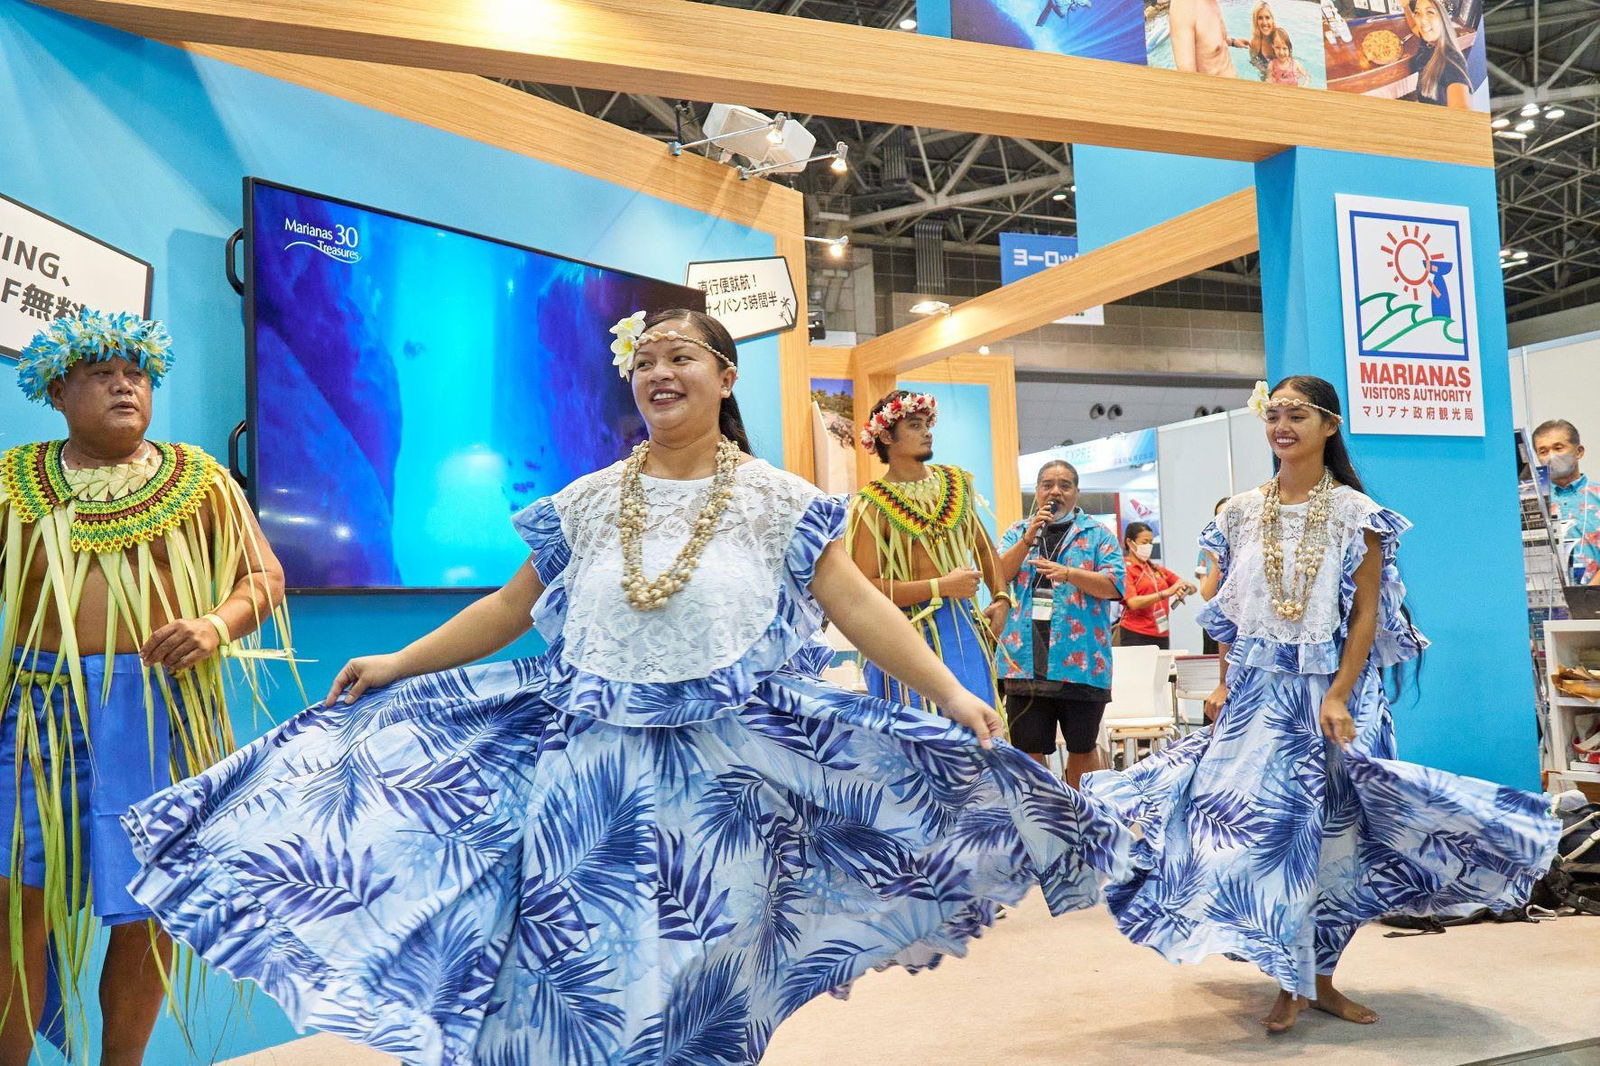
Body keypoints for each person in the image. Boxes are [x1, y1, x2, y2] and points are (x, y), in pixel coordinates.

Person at [121, 309, 1131, 1065]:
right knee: (575, 974)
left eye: (679, 355)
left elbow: (860, 607)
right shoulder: (588, 500)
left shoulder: (783, 498)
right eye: (643, 360)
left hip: (726, 780)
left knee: (705, 977)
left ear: (723, 375)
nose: (658, 370)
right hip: (587, 772)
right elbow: (510, 610)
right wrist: (399, 661)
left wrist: (948, 691)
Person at [1082, 376, 1559, 1034]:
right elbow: (1232, 615)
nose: (1281, 424)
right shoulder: (1240, 513)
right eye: (1272, 413)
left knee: (1337, 844)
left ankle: (1321, 980)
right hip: (1259, 696)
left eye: (1296, 414)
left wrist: (1338, 694)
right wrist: (1224, 682)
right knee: (1257, 837)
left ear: (1329, 425)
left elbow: (1365, 616)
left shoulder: (1356, 514)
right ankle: (1287, 975)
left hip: (1337, 696)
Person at [0, 309, 291, 1064]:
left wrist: (216, 626)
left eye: (137, 375)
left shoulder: (200, 481)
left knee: (149, 909)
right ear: (58, 392)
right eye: (103, 375)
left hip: (161, 711)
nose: (125, 387)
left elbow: (262, 577)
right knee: (12, 904)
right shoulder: (11, 482)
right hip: (37, 715)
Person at [847, 390, 1005, 714]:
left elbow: (984, 547)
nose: (927, 432)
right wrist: (939, 587)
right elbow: (865, 588)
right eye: (915, 425)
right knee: (921, 736)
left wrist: (1002, 599)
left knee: (976, 733)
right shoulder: (871, 504)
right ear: (887, 435)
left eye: (927, 424)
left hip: (962, 630)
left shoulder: (957, 483)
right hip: (903, 638)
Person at [992, 461, 1124, 787]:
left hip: (1080, 661)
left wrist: (1069, 574)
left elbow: (1115, 586)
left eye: (1064, 485)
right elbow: (997, 575)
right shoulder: (1016, 533)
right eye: (1047, 484)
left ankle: (1083, 820)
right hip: (1024, 661)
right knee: (1027, 751)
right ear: (1037, 492)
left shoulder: (1097, 535)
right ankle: (1040, 823)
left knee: (1082, 748)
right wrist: (1027, 539)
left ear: (1076, 493)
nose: (1055, 491)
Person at [1533, 419, 1600, 585]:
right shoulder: (1531, 503)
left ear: (1579, 452)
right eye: (1543, 451)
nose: (1551, 456)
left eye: (1558, 448)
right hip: (1547, 602)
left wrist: (1588, 595)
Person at [1117, 521, 1195, 650]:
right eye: (1144, 542)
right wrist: (1166, 592)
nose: (1148, 546)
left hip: (1161, 632)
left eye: (1151, 542)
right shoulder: (1125, 568)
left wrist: (1184, 588)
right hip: (1136, 634)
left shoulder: (1155, 569)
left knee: (1163, 669)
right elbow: (1133, 603)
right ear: (1130, 542)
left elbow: (1191, 588)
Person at [1403, 0, 1471, 109]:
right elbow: (1413, 27)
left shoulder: (1452, 61)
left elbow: (1461, 109)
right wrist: (1406, 6)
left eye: (1430, 12)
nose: (1422, 20)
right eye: (1417, 13)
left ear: (1442, 19)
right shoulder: (1429, 40)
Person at [1168, 0, 1251, 77]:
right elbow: (1187, 78)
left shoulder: (1211, 2)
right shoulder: (1183, 7)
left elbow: (1209, 42)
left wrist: (1233, 42)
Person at [1197, 496, 1230, 656]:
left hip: (1242, 623)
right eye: (1219, 517)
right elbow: (1207, 594)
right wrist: (1217, 564)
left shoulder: (1250, 550)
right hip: (1216, 620)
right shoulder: (1206, 552)